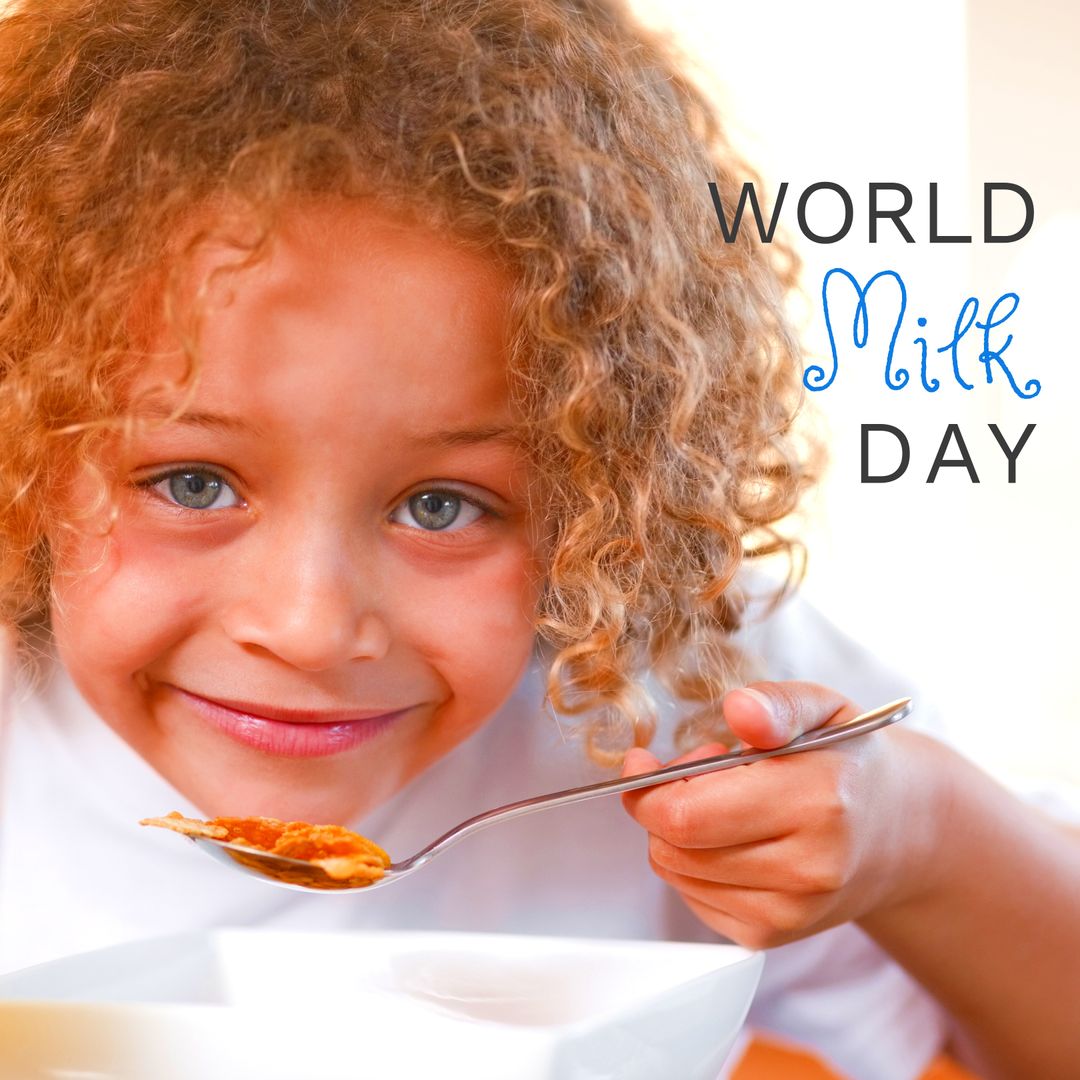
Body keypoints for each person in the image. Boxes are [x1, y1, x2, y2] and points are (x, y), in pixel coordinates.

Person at [0, 2, 1075, 1077]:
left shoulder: (682, 685)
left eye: (441, 505)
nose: (311, 628)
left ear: (603, 495)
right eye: (193, 483)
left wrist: (922, 838)